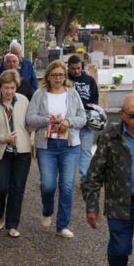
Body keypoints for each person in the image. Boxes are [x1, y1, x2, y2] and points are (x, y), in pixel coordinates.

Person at [26, 60, 86, 238]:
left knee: (67, 186)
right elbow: (30, 118)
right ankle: (47, 209)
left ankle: (62, 225)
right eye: (54, 75)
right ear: (48, 77)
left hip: (69, 146)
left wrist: (69, 122)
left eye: (61, 75)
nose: (58, 78)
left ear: (65, 76)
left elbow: (82, 118)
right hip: (47, 146)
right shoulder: (39, 94)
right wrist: (46, 120)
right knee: (48, 185)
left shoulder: (73, 94)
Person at [82, 94, 134, 266]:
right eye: (133, 115)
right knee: (119, 251)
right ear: (122, 114)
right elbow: (94, 175)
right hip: (119, 205)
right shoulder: (109, 137)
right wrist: (92, 207)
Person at [0, 70, 32, 237]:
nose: (9, 92)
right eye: (5, 88)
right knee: (1, 186)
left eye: (12, 87)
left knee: (17, 188)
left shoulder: (24, 101)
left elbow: (29, 123)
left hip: (22, 151)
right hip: (0, 152)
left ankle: (12, 224)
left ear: (16, 87)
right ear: (0, 87)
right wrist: (3, 138)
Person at [67, 54, 99, 182]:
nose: (76, 71)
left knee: (85, 151)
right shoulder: (64, 79)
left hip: (86, 121)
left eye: (78, 68)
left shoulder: (89, 80)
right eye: (73, 68)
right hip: (69, 122)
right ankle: (65, 179)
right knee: (68, 153)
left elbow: (95, 97)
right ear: (68, 67)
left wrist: (92, 113)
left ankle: (85, 179)